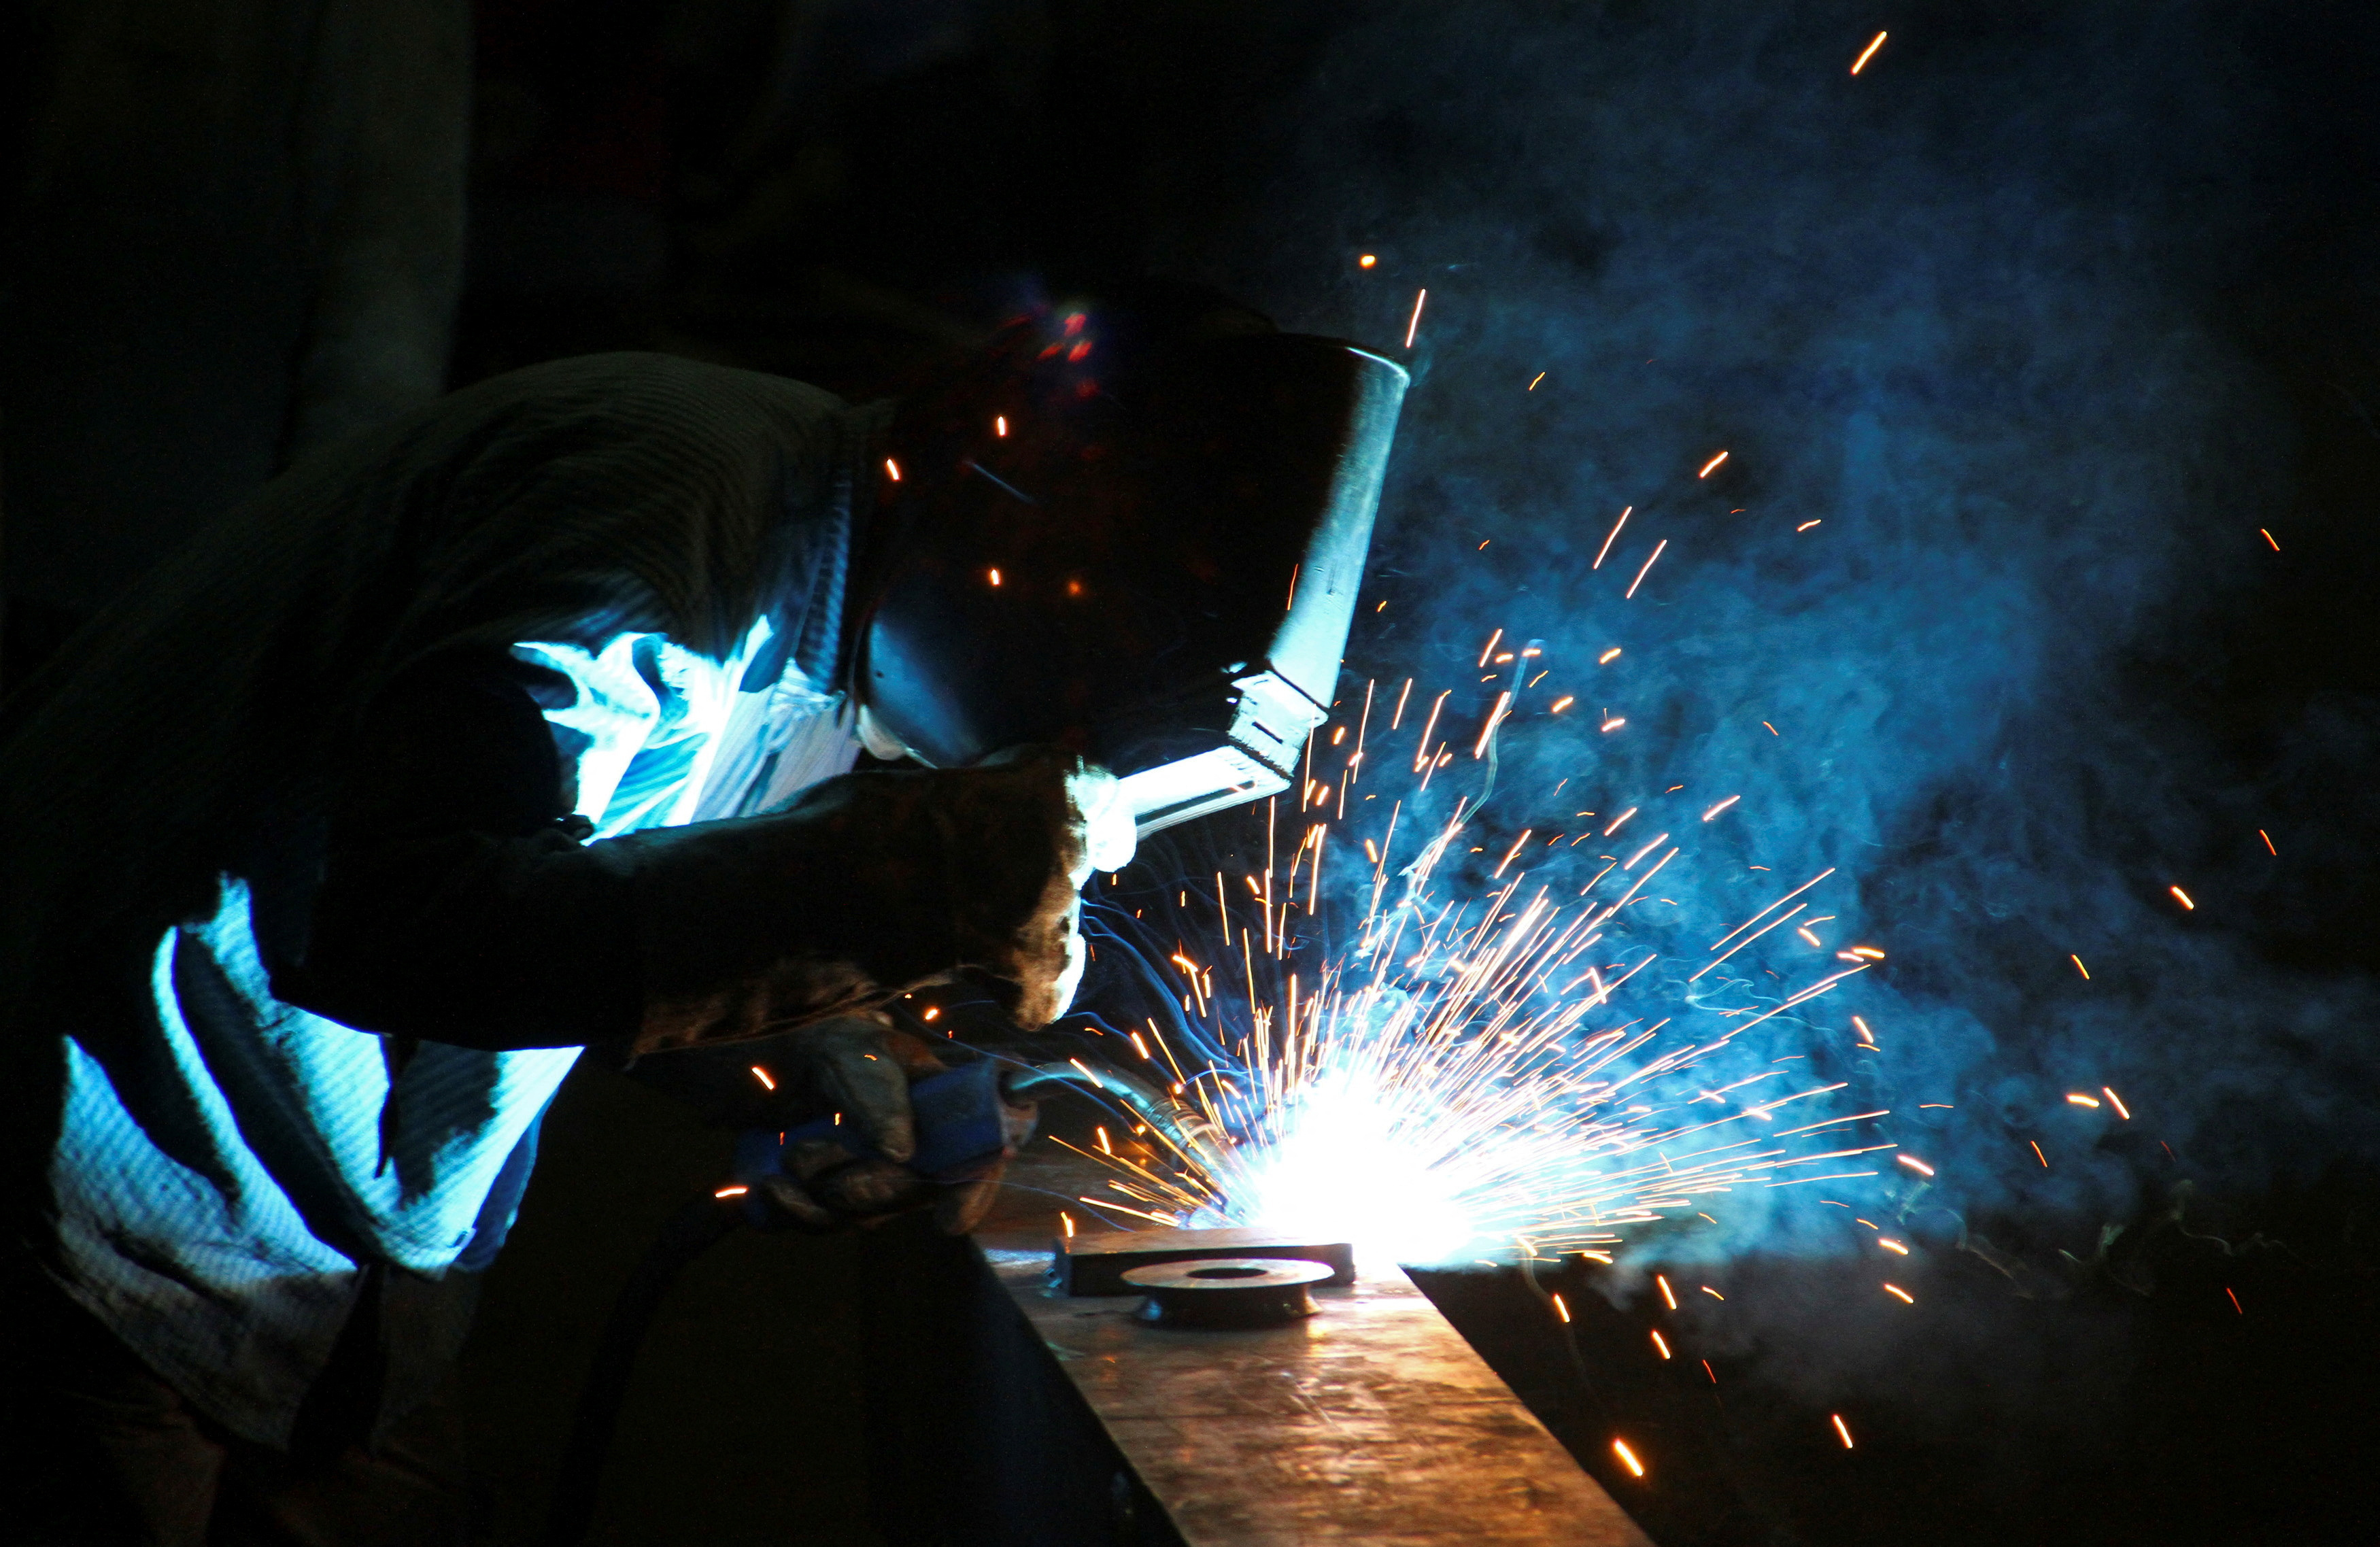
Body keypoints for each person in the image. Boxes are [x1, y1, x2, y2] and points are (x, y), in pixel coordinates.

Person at [1, 284, 1406, 1544]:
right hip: (87, 1209)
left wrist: (814, 1046)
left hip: (306, 1282)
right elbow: (409, 916)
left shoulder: (824, 602)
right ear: (1006, 506)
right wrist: (891, 888)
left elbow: (595, 883)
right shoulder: (667, 510)